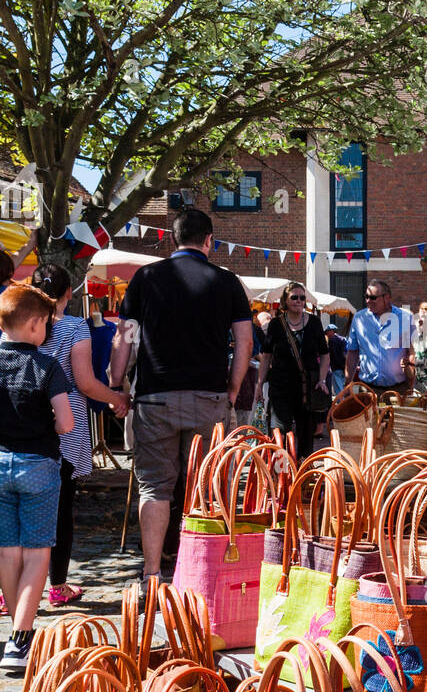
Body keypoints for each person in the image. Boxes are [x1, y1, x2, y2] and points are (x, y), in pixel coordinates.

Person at [109, 208, 253, 578]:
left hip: (154, 396)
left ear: (172, 240)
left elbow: (124, 337)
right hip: (209, 397)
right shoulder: (227, 282)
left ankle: (152, 574)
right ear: (209, 241)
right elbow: (244, 342)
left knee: (155, 487)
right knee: (204, 488)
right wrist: (233, 390)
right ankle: (197, 572)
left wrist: (116, 386)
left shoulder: (146, 278)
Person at [33, 263, 128, 607]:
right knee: (60, 509)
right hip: (66, 419)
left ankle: (7, 590)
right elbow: (86, 382)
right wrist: (118, 398)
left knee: (15, 510)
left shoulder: (16, 328)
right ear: (68, 294)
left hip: (23, 422)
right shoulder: (75, 327)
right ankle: (57, 586)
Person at [0, 284, 74, 671]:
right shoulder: (47, 367)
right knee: (37, 552)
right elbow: (66, 422)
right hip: (39, 466)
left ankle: (17, 635)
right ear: (35, 324)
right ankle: (20, 638)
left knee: (7, 552)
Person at [253, 283, 329, 460]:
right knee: (280, 432)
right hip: (281, 387)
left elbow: (325, 355)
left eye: (302, 298)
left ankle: (303, 472)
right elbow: (266, 357)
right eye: (294, 297)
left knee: (306, 433)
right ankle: (281, 474)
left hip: (306, 388)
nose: (299, 301)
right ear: (285, 301)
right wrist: (259, 385)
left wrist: (322, 380)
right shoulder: (276, 325)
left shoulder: (315, 323)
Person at [345, 280, 414, 396]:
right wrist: (347, 384)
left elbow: (412, 352)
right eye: (366, 297)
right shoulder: (359, 319)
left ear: (387, 298)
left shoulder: (406, 318)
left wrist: (411, 381)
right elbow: (352, 353)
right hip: (367, 390)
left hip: (398, 390)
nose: (368, 301)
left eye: (372, 297)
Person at [326, 323, 347, 396]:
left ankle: (341, 405)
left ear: (332, 331)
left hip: (336, 368)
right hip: (344, 368)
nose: (327, 334)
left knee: (338, 389)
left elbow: (333, 355)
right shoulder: (343, 339)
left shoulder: (332, 340)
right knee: (344, 388)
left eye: (327, 332)